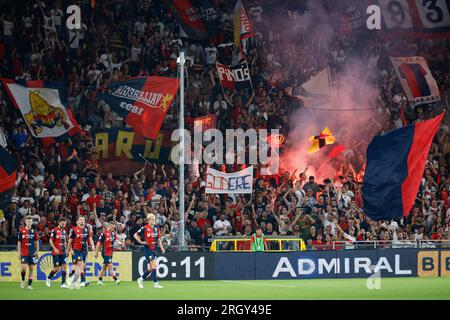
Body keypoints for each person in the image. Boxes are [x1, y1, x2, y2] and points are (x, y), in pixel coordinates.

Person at [134, 213, 165, 289]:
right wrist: (141, 242)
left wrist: (161, 247)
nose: (153, 221)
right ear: (148, 220)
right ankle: (156, 283)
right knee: (154, 266)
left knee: (150, 269)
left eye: (154, 219)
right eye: (151, 219)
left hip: (154, 249)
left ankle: (140, 279)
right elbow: (135, 235)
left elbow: (158, 239)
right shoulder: (145, 228)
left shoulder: (156, 228)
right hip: (148, 249)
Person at [67, 216, 95, 289]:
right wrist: (69, 250)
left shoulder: (86, 229)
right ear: (77, 222)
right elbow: (70, 241)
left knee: (76, 266)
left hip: (84, 250)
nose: (83, 221)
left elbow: (90, 238)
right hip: (76, 250)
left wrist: (92, 246)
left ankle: (70, 278)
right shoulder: (74, 230)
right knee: (80, 265)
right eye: (81, 219)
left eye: (83, 219)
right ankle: (83, 281)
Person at [94, 220, 124, 286]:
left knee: (104, 266)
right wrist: (96, 252)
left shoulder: (113, 233)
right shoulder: (104, 233)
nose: (113, 228)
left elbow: (116, 240)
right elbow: (99, 243)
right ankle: (116, 279)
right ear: (109, 226)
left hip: (110, 252)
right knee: (110, 265)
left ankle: (99, 280)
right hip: (105, 252)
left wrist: (120, 244)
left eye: (114, 227)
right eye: (112, 227)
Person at [46, 217, 68, 288]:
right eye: (62, 223)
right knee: (57, 268)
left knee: (64, 267)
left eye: (65, 224)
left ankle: (63, 284)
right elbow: (50, 241)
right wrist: (54, 248)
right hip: (56, 253)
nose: (64, 225)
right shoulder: (54, 230)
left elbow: (64, 241)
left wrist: (66, 248)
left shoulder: (64, 231)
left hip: (63, 252)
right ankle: (48, 278)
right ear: (59, 222)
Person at [17, 216, 39, 289]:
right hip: (24, 252)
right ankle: (23, 280)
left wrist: (37, 251)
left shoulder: (34, 231)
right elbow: (19, 242)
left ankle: (29, 285)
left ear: (31, 222)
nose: (29, 223)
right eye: (28, 221)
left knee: (31, 269)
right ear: (25, 222)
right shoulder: (21, 231)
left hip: (32, 253)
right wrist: (19, 252)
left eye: (30, 221)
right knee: (23, 268)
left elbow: (36, 242)